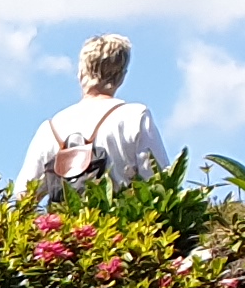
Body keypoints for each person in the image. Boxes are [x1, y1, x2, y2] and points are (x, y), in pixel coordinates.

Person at [16, 35, 167, 202]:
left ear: (81, 72)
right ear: (122, 76)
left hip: (65, 226)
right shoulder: (135, 116)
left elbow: (24, 195)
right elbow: (159, 184)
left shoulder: (51, 127)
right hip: (122, 225)